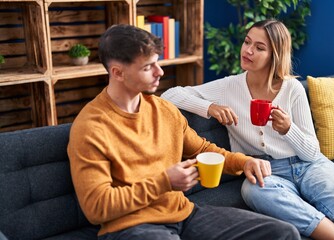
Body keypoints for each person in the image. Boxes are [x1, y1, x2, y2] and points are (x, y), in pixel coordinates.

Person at [67, 24, 300, 240]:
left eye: (158, 63)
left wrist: (244, 161)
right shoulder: (90, 127)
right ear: (118, 73)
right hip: (131, 227)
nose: (160, 72)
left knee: (282, 233)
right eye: (148, 67)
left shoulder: (164, 110)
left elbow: (203, 149)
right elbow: (96, 208)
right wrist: (164, 182)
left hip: (184, 215)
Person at [161, 19, 334, 240]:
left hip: (307, 165)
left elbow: (312, 153)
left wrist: (289, 130)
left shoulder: (292, 88)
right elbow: (170, 94)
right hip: (265, 170)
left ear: (275, 55)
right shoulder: (229, 86)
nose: (248, 50)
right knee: (253, 191)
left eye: (259, 47)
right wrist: (209, 107)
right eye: (247, 42)